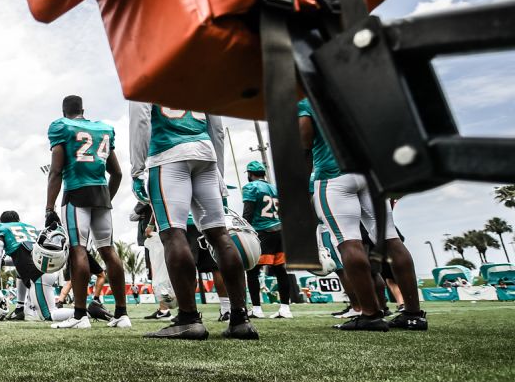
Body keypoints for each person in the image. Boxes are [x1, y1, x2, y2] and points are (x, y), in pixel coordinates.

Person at [129, 103, 256, 340]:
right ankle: (240, 318)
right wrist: (218, 169)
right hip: (206, 155)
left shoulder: (146, 72)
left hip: (168, 156)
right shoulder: (199, 75)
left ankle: (189, 318)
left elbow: (141, 120)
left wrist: (137, 170)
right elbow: (217, 129)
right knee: (220, 234)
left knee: (172, 234)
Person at [299, 98, 426, 331]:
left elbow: (305, 143)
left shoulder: (308, 99)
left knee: (348, 242)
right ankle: (413, 314)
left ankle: (370, 314)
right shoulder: (355, 93)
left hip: (333, 176)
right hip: (370, 174)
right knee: (391, 239)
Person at [44, 95, 129, 329]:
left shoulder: (61, 127)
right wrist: (105, 199)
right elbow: (118, 173)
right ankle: (122, 314)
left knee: (77, 249)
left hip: (76, 192)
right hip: (101, 194)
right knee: (109, 251)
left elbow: (56, 171)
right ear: (83, 109)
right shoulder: (104, 129)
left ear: (64, 112)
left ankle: (80, 315)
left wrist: (49, 207)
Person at [240, 160, 293, 319]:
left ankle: (256, 309)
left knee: (252, 270)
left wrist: (244, 231)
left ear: (250, 174)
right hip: (280, 232)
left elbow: (248, 213)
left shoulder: (251, 187)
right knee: (281, 270)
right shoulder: (275, 188)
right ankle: (285, 308)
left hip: (262, 232)